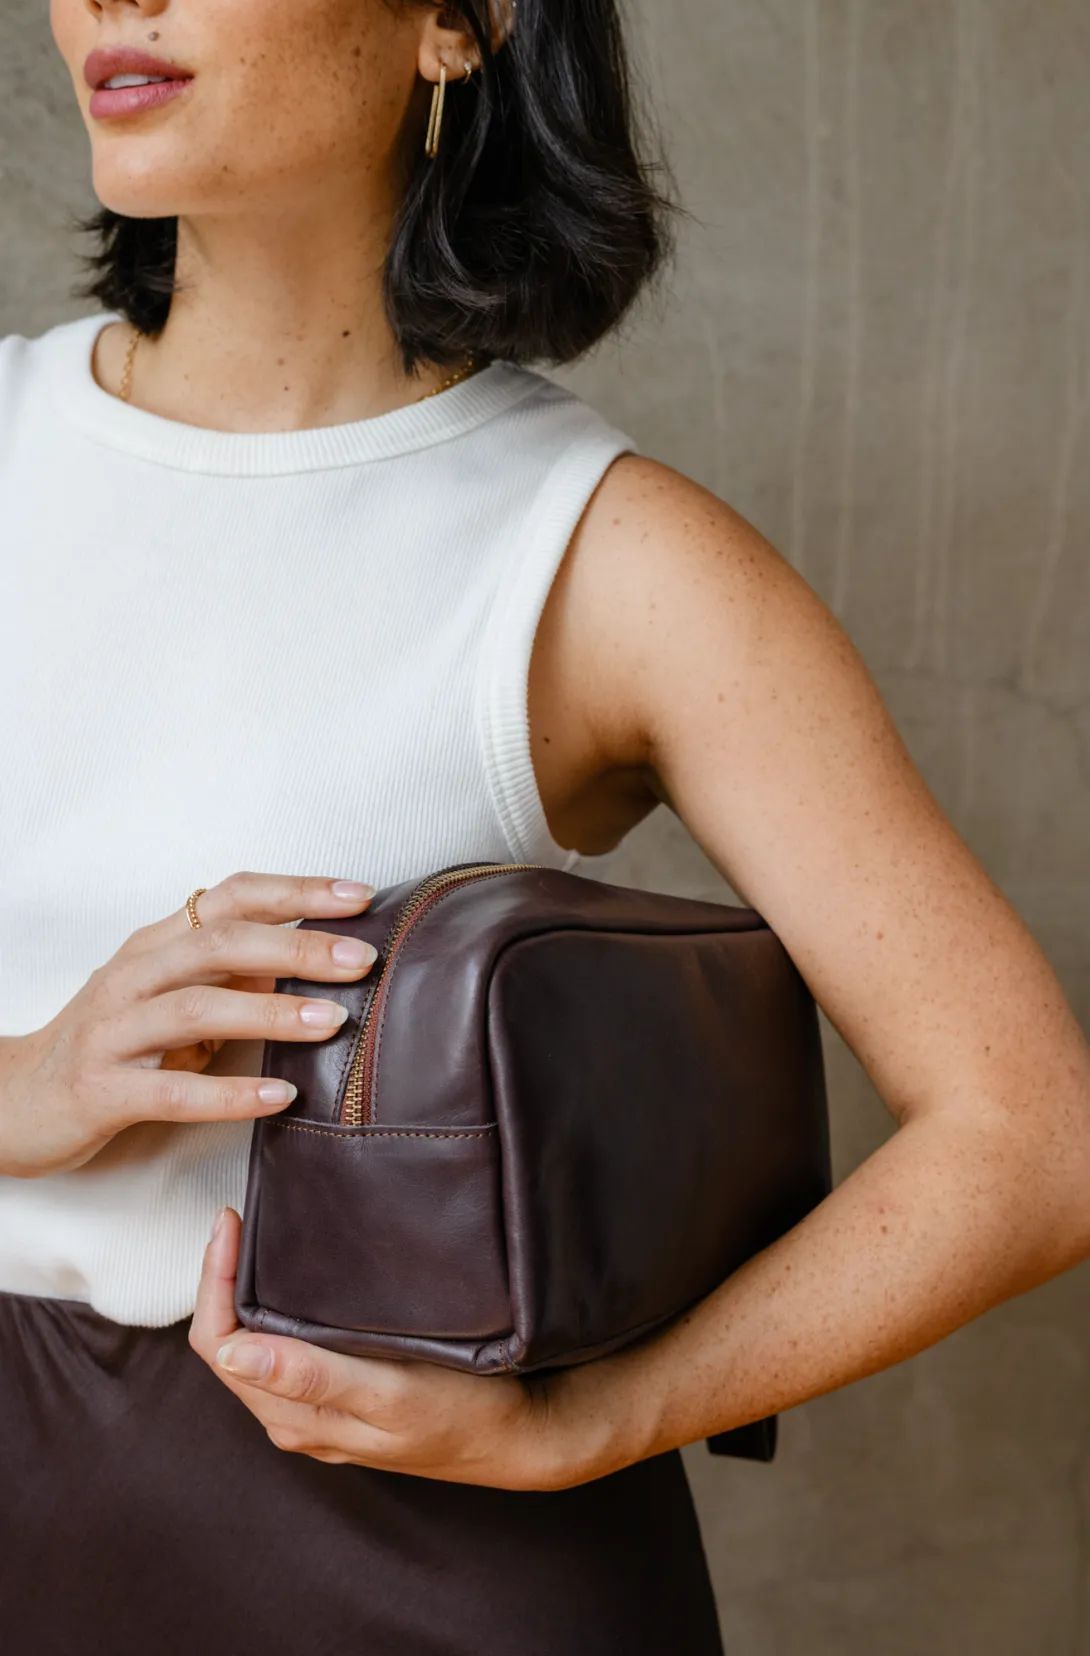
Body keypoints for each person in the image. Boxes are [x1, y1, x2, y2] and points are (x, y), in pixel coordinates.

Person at [1, 1, 1088, 1651]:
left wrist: (600, 1421)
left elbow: (1028, 1141)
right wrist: (23, 1086)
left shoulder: (611, 563)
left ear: (453, 21)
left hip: (391, 1560)